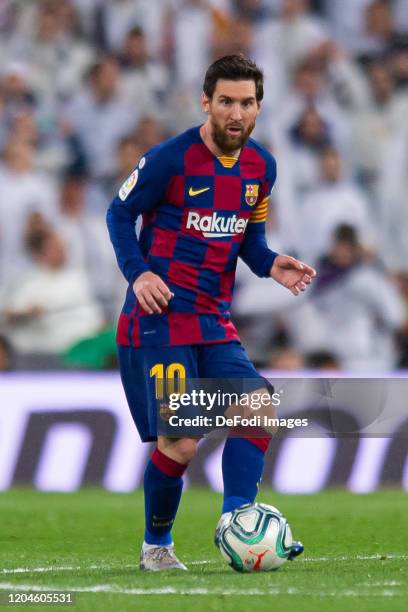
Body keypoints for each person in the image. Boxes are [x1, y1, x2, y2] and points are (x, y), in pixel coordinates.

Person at [106, 54, 316, 571]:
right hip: (159, 320)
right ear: (207, 102)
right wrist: (139, 272)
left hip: (212, 320)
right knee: (180, 445)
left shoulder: (261, 168)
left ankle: (237, 522)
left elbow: (250, 238)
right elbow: (118, 212)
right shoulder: (169, 160)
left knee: (258, 408)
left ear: (259, 107)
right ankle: (156, 546)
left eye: (246, 102)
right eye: (226, 101)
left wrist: (271, 265)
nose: (235, 112)